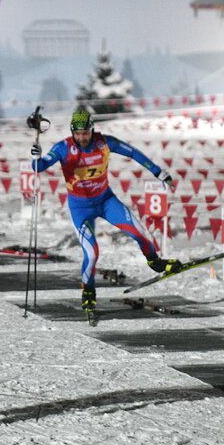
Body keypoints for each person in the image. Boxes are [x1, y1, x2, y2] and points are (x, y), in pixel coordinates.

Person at [30, 106, 182, 316]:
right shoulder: (64, 147)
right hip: (80, 208)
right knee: (92, 254)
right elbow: (39, 167)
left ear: (92, 129)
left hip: (106, 201)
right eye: (78, 133)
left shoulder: (104, 143)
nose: (82, 138)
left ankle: (155, 262)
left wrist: (159, 172)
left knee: (141, 234)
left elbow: (133, 152)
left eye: (85, 133)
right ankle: (88, 291)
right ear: (73, 132)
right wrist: (36, 157)